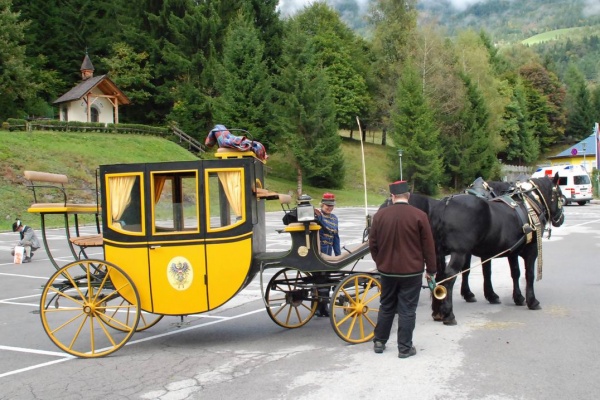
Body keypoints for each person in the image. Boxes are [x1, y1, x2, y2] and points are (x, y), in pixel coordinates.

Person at [369, 181, 437, 358]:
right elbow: (428, 246)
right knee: (407, 310)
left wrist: (381, 262)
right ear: (408, 196)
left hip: (387, 271)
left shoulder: (380, 216)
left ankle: (379, 341)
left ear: (392, 196)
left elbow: (373, 245)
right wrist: (431, 269)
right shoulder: (420, 215)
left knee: (386, 306)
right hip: (411, 271)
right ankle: (405, 348)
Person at [313, 192, 341, 317]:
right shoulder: (317, 216)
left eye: (331, 205)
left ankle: (323, 307)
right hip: (318, 252)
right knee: (320, 280)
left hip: (329, 251)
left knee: (327, 279)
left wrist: (338, 256)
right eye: (327, 205)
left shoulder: (334, 218)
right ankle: (319, 307)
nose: (329, 207)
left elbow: (336, 238)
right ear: (322, 204)